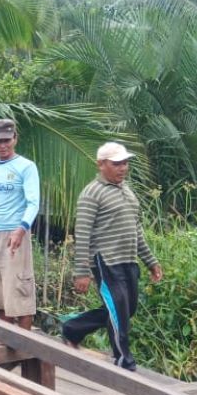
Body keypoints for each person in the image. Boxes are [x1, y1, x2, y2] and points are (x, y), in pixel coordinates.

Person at [61, 142, 162, 371]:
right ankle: (123, 359)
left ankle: (72, 329)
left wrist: (151, 261)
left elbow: (136, 231)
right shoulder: (91, 193)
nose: (123, 168)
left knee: (127, 309)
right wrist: (82, 271)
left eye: (125, 163)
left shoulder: (126, 190)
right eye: (117, 163)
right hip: (105, 262)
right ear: (101, 165)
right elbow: (83, 233)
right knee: (118, 311)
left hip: (128, 261)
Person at [0, 119, 40, 330]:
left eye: (6, 140)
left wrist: (21, 230)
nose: (2, 145)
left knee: (20, 295)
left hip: (15, 237)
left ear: (15, 139)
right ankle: (6, 346)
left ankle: (25, 347)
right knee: (0, 296)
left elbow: (33, 203)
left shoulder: (26, 167)